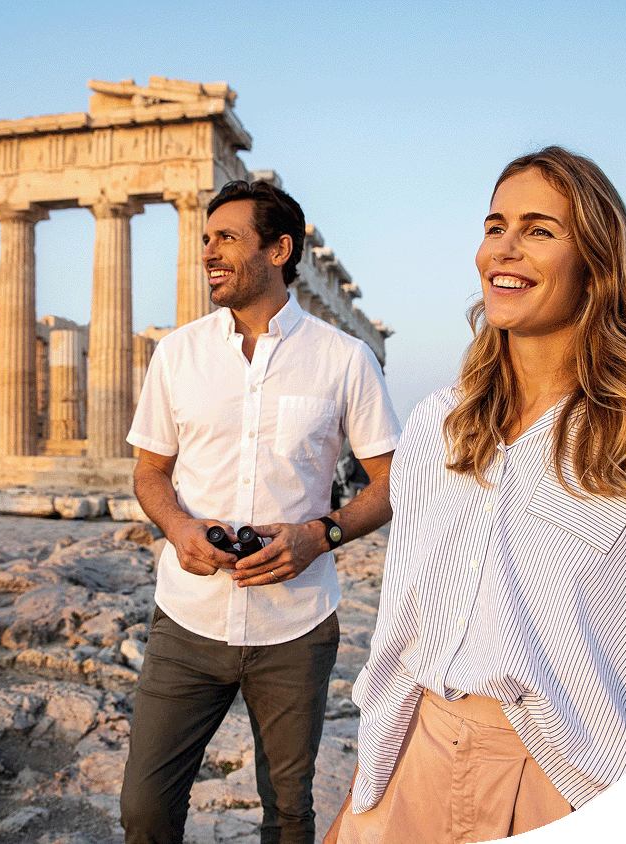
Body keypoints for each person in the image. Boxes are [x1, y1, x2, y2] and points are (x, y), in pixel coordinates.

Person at [325, 147, 626, 844]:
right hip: (416, 762)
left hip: (570, 786)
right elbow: (400, 634)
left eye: (539, 229)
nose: (505, 247)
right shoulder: (437, 423)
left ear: (595, 263)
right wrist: (361, 799)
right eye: (496, 225)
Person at [120, 179, 401, 844]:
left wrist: (319, 535)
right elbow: (150, 470)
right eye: (206, 239)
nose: (208, 252)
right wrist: (179, 526)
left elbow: (392, 482)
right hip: (187, 622)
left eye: (226, 238)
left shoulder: (344, 359)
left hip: (295, 627)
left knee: (289, 811)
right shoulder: (176, 353)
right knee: (145, 806)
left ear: (279, 249)